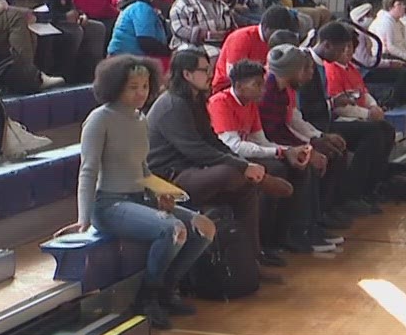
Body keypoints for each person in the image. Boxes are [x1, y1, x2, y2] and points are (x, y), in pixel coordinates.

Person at [65, 55, 215, 327]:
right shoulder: (100, 119)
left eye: (145, 86)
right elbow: (88, 170)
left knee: (204, 226)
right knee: (171, 229)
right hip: (109, 204)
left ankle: (168, 288)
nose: (141, 93)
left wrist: (164, 193)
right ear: (115, 86)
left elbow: (143, 170)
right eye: (132, 87)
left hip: (139, 198)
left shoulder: (140, 119)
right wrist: (83, 218)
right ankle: (148, 296)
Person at [146, 48, 289, 272]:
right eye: (204, 70)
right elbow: (196, 150)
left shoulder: (194, 101)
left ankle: (252, 260)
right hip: (168, 178)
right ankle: (263, 181)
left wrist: (245, 164)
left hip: (191, 169)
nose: (210, 74)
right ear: (187, 74)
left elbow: (213, 141)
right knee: (230, 173)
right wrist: (243, 166)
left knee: (245, 188)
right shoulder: (172, 105)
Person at [209, 56, 338, 257]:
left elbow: (262, 142)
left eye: (263, 84)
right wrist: (282, 152)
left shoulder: (250, 104)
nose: (263, 90)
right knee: (275, 169)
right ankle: (265, 241)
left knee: (298, 166)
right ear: (240, 85)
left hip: (241, 157)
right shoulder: (221, 103)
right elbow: (234, 147)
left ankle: (292, 233)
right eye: (257, 85)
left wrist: (292, 151)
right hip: (223, 162)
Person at [259, 44, 353, 231]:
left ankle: (319, 217)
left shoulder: (283, 89)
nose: (308, 74)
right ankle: (298, 229)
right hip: (268, 144)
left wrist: (313, 141)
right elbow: (271, 132)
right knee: (303, 167)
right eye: (304, 69)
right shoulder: (268, 91)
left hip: (278, 141)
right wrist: (306, 148)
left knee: (330, 153)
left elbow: (288, 124)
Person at [302, 22, 395, 211]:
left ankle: (369, 189)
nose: (341, 55)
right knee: (372, 133)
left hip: (324, 120)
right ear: (327, 45)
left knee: (385, 129)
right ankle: (351, 195)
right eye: (340, 50)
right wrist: (333, 103)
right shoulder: (307, 65)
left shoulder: (321, 65)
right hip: (318, 123)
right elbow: (307, 108)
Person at [213, 5, 298, 92]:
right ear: (265, 27)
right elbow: (235, 76)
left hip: (260, 87)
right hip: (228, 89)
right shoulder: (241, 38)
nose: (279, 37)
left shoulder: (279, 41)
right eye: (275, 33)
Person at [365, 0, 406, 103]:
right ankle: (402, 100)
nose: (403, 7)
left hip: (398, 53)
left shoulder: (400, 24)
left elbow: (405, 43)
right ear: (390, 7)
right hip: (385, 54)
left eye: (403, 4)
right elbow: (389, 46)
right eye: (399, 4)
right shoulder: (385, 22)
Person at [107, 0, 173, 68]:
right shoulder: (142, 8)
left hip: (133, 57)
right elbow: (146, 42)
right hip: (123, 60)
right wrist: (169, 52)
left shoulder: (148, 9)